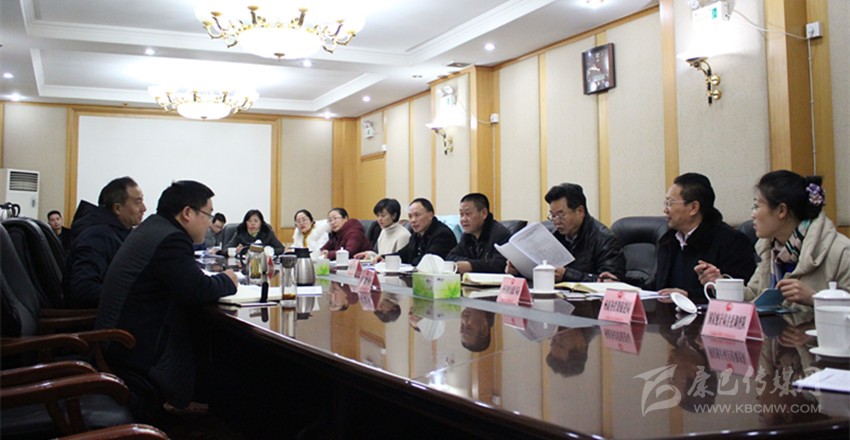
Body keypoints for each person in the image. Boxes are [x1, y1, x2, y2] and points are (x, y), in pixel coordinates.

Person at [95, 180, 238, 416]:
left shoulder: (155, 228)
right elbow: (198, 289)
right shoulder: (170, 239)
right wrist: (229, 280)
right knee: (218, 341)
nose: (209, 222)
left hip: (118, 342)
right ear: (187, 213)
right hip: (131, 352)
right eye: (208, 214)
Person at [702, 170, 850, 310]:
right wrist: (720, 283)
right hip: (776, 329)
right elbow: (755, 296)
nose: (753, 214)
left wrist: (813, 298)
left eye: (756, 206)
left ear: (781, 211)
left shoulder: (840, 251)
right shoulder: (771, 249)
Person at [655, 173, 756, 305]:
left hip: (708, 316)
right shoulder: (668, 240)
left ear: (693, 208)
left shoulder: (732, 242)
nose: (665, 210)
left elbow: (741, 296)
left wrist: (689, 296)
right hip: (667, 316)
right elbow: (658, 287)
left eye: (670, 203)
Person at [509, 183, 624, 282]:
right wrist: (519, 271)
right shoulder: (554, 237)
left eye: (561, 215)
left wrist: (567, 275)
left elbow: (610, 282)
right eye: (552, 216)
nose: (556, 221)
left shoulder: (604, 239)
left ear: (580, 211)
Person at [64, 176, 146, 308]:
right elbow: (83, 288)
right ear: (117, 208)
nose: (144, 208)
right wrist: (136, 296)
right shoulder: (97, 237)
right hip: (99, 316)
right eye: (138, 202)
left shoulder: (120, 233)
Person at [446, 193, 511, 274]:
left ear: (484, 213)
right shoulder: (467, 236)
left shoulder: (500, 234)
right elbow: (450, 257)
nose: (463, 219)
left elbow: (500, 264)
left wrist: (471, 266)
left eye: (468, 214)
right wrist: (469, 263)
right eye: (461, 214)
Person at [396, 198, 457, 266]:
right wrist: (387, 259)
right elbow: (404, 254)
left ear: (430, 215)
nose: (413, 220)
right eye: (410, 216)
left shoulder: (443, 235)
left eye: (417, 215)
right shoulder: (416, 234)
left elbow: (428, 261)